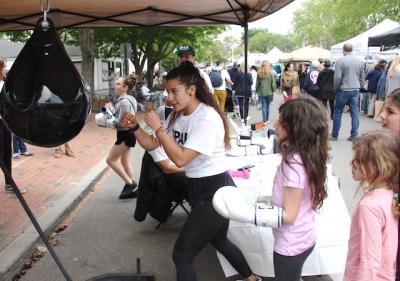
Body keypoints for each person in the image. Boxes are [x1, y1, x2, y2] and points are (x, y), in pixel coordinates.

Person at [120, 62, 260, 281]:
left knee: (182, 255)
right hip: (197, 188)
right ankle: (252, 278)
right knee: (220, 241)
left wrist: (158, 127)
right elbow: (152, 145)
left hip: (215, 192)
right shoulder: (176, 115)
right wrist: (135, 128)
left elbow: (181, 158)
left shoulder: (206, 118)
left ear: (191, 90)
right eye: (168, 91)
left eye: (174, 91)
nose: (169, 97)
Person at [213, 96, 329, 281]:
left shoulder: (294, 164)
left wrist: (249, 214)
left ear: (295, 128)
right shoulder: (304, 155)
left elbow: (289, 216)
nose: (275, 125)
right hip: (303, 236)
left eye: (281, 121)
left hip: (291, 244)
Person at [344, 131, 399, 281]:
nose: (351, 163)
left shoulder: (369, 207)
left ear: (375, 165)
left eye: (357, 159)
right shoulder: (391, 194)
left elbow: (369, 262)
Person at [105, 74, 138, 200]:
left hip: (125, 134)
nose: (116, 85)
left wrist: (106, 121)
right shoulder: (129, 99)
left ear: (125, 87)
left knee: (110, 160)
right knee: (124, 161)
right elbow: (121, 116)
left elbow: (121, 123)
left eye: (118, 84)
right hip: (128, 133)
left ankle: (130, 184)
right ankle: (131, 188)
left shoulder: (124, 102)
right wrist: (111, 109)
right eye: (116, 83)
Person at [331, 43, 365, 141]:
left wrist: (336, 88)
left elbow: (337, 77)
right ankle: (354, 135)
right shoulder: (359, 62)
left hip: (343, 89)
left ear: (343, 50)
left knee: (338, 112)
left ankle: (334, 135)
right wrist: (361, 86)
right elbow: (362, 77)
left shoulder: (341, 61)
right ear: (352, 49)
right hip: (355, 90)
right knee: (355, 113)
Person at [256, 60, 276, 125]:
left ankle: (264, 121)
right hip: (269, 92)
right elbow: (273, 84)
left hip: (261, 93)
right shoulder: (271, 73)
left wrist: (257, 91)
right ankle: (267, 120)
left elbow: (257, 84)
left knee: (263, 106)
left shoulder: (259, 73)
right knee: (267, 106)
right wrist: (274, 90)